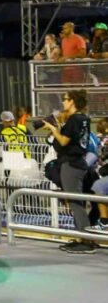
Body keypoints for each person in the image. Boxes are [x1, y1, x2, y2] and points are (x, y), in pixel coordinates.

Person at [39, 89, 95, 253]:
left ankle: (86, 241)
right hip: (79, 163)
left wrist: (53, 129)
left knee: (75, 203)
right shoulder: (84, 119)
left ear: (72, 101)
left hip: (71, 164)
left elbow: (63, 142)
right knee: (77, 202)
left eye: (65, 99)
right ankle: (83, 237)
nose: (63, 102)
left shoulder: (74, 119)